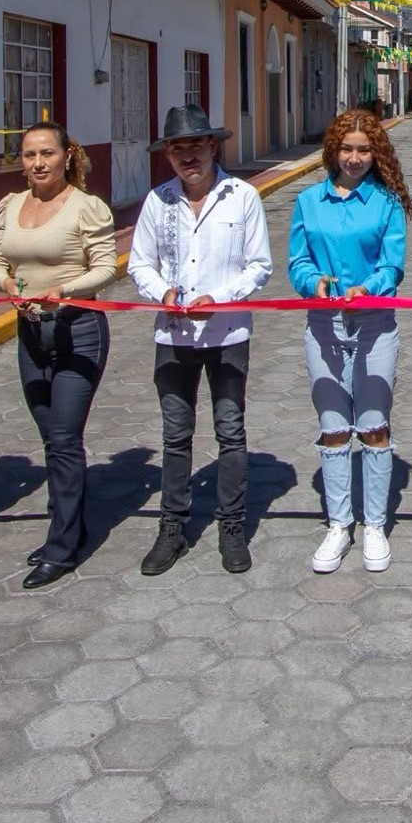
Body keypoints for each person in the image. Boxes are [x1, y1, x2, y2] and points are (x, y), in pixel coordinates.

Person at [127, 104, 273, 576]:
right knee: (175, 434)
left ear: (212, 146)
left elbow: (259, 265)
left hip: (227, 332)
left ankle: (232, 526)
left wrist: (222, 298)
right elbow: (139, 263)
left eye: (195, 145)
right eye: (178, 149)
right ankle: (172, 528)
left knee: (230, 431)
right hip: (174, 335)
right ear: (167, 154)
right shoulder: (158, 201)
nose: (188, 156)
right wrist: (163, 292)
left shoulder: (242, 197)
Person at [0, 122, 118, 590]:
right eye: (29, 155)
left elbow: (105, 267)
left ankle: (61, 548)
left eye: (47, 153)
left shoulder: (87, 207)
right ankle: (69, 522)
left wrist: (66, 290)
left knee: (63, 437)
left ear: (67, 156)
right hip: (30, 333)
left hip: (77, 331)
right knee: (50, 437)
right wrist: (6, 283)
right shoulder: (10, 205)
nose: (38, 163)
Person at [288, 109, 411, 574]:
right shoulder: (308, 201)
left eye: (364, 150)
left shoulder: (386, 203)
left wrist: (368, 288)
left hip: (374, 324)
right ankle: (339, 524)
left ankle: (374, 524)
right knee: (334, 426)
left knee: (374, 425)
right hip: (324, 326)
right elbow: (298, 260)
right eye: (347, 149)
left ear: (375, 153)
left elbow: (392, 265)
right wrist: (313, 283)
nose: (355, 158)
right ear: (333, 151)